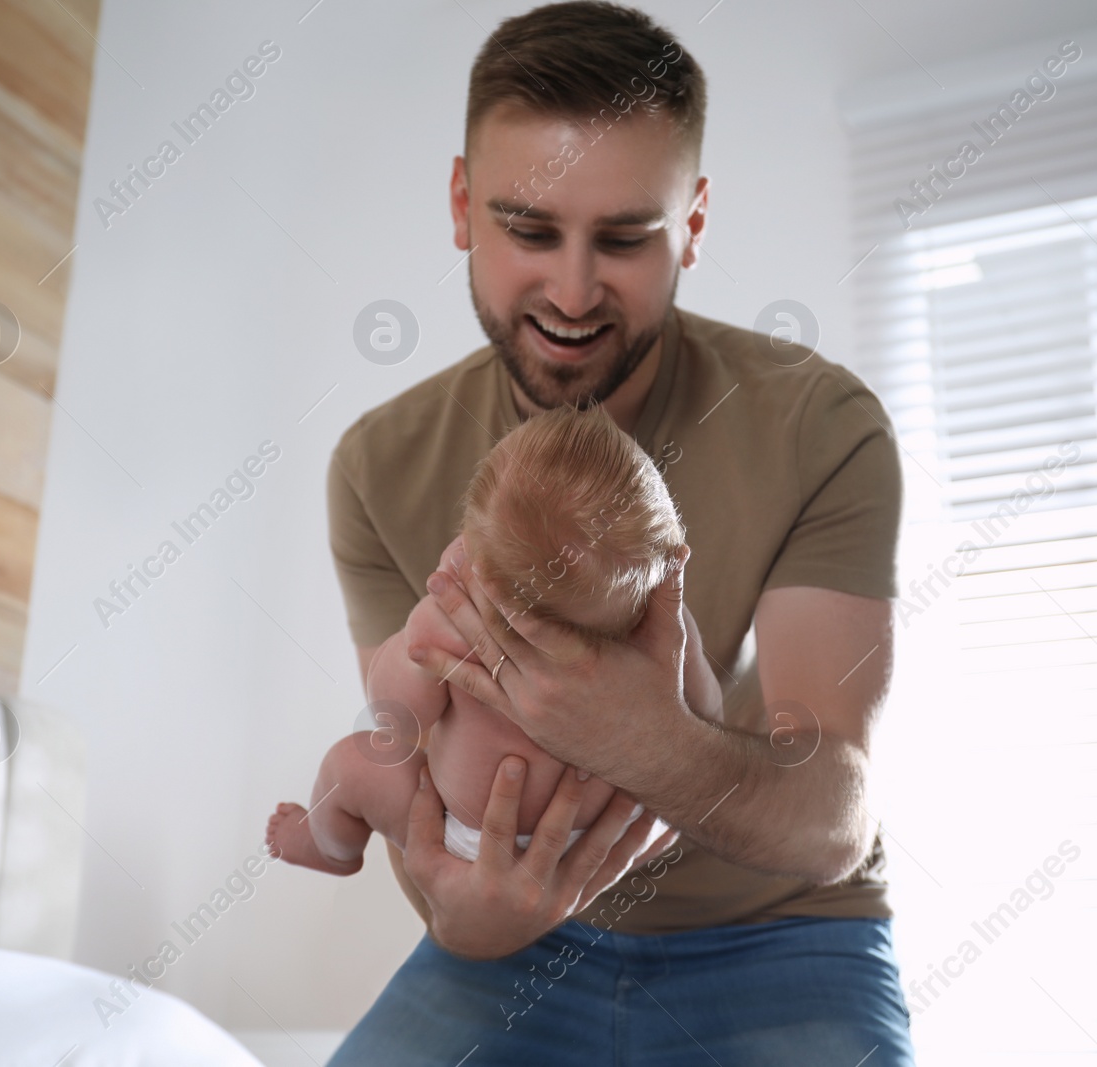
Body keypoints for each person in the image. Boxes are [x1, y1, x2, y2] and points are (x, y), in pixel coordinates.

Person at [322, 2, 914, 1062]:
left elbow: (836, 815)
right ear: (463, 204)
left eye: (626, 237)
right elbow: (402, 754)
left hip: (786, 931)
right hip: (510, 952)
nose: (573, 289)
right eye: (529, 229)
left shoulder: (819, 426)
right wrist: (457, 913)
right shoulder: (377, 465)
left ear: (691, 221)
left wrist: (644, 735)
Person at [266, 403, 725, 874]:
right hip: (612, 826)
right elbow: (707, 715)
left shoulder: (450, 625)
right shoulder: (661, 620)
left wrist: (417, 639)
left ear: (474, 558)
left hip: (477, 843)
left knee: (351, 765)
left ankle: (331, 849)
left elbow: (395, 723)